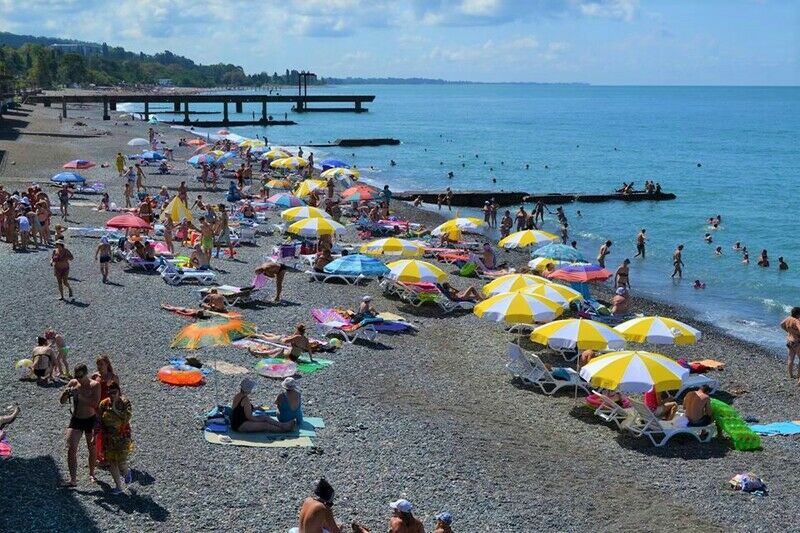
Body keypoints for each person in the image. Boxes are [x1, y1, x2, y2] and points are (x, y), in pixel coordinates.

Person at [59, 364, 100, 488]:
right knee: (71, 448)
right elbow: (61, 401)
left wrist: (79, 396)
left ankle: (92, 473)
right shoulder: (73, 383)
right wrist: (66, 393)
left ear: (86, 374)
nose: (78, 379)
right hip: (76, 419)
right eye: (76, 376)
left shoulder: (94, 385)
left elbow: (95, 403)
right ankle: (73, 479)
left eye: (81, 376)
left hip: (90, 419)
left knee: (91, 448)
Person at [98, 382, 133, 495]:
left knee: (121, 461)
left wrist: (115, 409)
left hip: (122, 436)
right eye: (110, 393)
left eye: (114, 392)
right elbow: (99, 420)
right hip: (108, 437)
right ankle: (118, 486)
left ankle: (126, 472)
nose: (112, 395)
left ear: (119, 392)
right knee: (112, 461)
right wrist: (97, 434)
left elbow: (127, 417)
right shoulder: (104, 404)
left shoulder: (125, 403)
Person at [230, 378, 295, 433]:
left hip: (237, 422)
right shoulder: (245, 399)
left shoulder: (237, 396)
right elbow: (249, 417)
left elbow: (240, 411)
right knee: (265, 425)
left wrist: (256, 408)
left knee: (265, 417)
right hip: (239, 425)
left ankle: (283, 425)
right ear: (248, 390)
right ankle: (284, 429)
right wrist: (259, 420)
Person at [781, 307, 800, 380]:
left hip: (789, 341)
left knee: (790, 358)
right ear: (798, 314)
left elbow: (781, 324)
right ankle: (798, 375)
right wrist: (796, 333)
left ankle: (791, 375)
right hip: (796, 342)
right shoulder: (796, 321)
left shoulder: (788, 318)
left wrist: (788, 331)